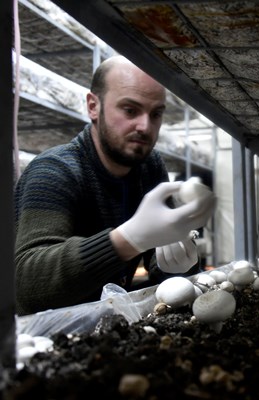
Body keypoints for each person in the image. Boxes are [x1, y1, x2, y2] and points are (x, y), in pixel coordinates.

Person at [14, 55, 216, 315]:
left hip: (110, 324)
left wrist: (176, 261)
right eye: (130, 110)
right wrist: (126, 239)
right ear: (93, 106)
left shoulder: (149, 166)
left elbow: (157, 256)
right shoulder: (53, 171)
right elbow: (27, 286)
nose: (145, 126)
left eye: (155, 114)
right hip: (45, 337)